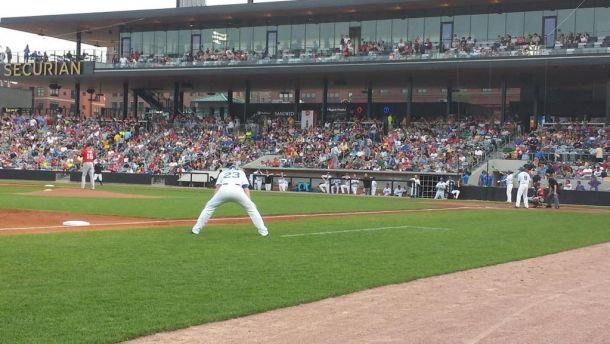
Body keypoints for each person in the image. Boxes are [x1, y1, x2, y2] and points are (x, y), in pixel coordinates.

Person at [192, 167, 268, 237]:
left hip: (224, 189)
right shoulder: (241, 172)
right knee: (252, 209)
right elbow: (245, 188)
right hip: (237, 189)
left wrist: (212, 200)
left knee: (209, 207)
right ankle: (263, 231)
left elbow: (218, 187)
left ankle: (196, 229)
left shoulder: (223, 173)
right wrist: (250, 201)